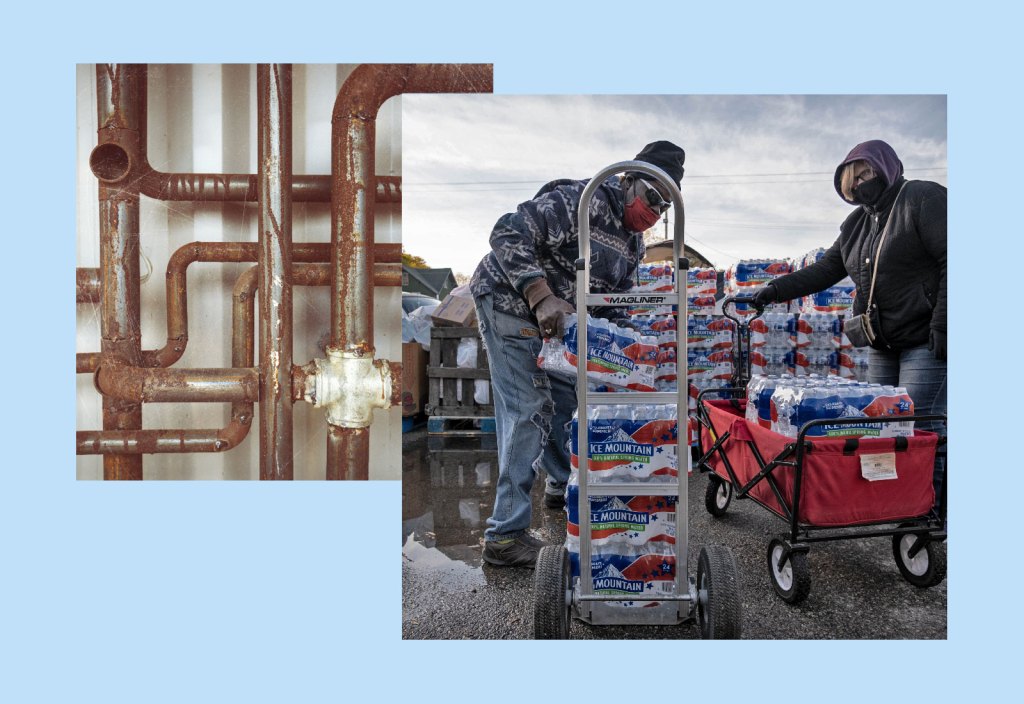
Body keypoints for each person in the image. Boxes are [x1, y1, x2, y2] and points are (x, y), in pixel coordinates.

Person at [470, 140, 686, 567]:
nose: (652, 212)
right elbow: (506, 232)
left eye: (663, 207)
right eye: (650, 197)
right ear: (628, 179)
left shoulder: (633, 245)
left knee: (572, 405)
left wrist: (636, 353)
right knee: (530, 408)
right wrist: (540, 293)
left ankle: (561, 485)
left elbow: (612, 303)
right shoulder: (579, 202)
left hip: (560, 325)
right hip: (511, 304)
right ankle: (504, 535)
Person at [753, 139, 947, 505]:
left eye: (866, 173)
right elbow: (827, 269)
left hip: (925, 339)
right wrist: (774, 290)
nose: (859, 184)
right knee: (880, 426)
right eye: (851, 180)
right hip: (882, 343)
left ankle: (932, 508)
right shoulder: (856, 223)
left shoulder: (922, 198)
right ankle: (894, 498)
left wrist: (945, 322)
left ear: (887, 167)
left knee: (919, 424)